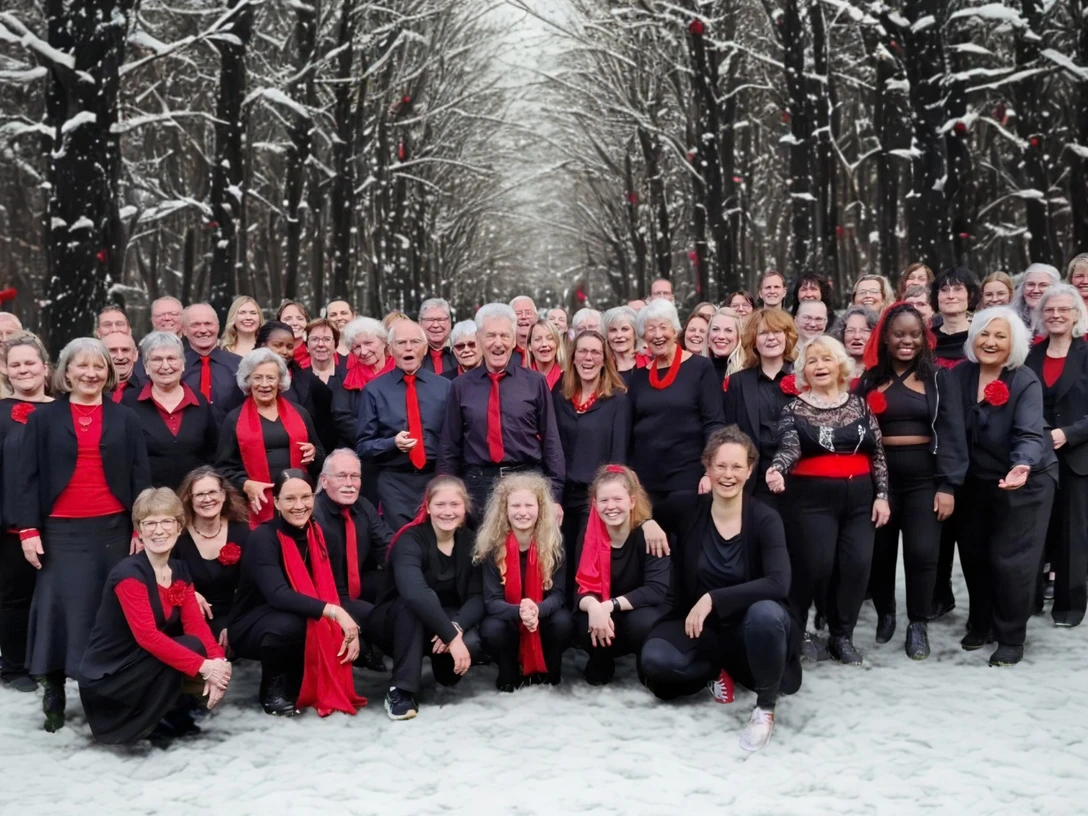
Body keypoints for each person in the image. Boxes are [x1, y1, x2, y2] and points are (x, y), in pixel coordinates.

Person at [640, 427, 802, 753]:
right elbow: (642, 506)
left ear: (750, 469)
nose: (728, 475)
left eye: (737, 467)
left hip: (753, 629)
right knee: (656, 665)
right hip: (704, 630)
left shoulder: (765, 519)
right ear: (707, 468)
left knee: (766, 613)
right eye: (720, 466)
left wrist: (713, 598)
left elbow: (777, 583)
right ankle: (716, 669)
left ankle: (764, 710)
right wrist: (648, 522)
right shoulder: (688, 507)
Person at [18, 337, 151, 732]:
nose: (91, 374)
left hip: (113, 528)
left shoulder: (126, 417)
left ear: (109, 373)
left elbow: (139, 474)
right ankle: (54, 685)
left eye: (99, 367)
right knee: (59, 610)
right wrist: (28, 529)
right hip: (59, 530)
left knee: (105, 611)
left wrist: (140, 526)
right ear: (66, 372)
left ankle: (103, 687)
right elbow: (26, 477)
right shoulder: (42, 419)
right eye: (82, 367)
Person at [766, 335, 890, 665]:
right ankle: (800, 631)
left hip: (861, 498)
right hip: (811, 499)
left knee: (856, 565)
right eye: (813, 361)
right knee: (814, 565)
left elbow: (877, 452)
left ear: (840, 366)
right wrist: (777, 469)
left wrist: (882, 496)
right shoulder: (794, 407)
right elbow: (789, 447)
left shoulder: (860, 404)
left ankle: (841, 635)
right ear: (803, 370)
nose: (820, 366)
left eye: (827, 359)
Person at [78, 488, 230, 744]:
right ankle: (150, 718)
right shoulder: (129, 575)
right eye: (150, 523)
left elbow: (195, 624)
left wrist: (219, 663)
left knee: (197, 643)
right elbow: (147, 636)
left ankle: (169, 708)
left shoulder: (179, 569)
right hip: (112, 674)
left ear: (179, 526)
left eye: (166, 521)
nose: (159, 531)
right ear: (139, 529)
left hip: (142, 662)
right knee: (184, 649)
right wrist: (206, 668)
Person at [858, 303, 967, 659]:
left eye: (915, 334)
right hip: (881, 483)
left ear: (925, 338)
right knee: (882, 553)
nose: (907, 341)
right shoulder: (869, 379)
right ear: (885, 338)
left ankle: (917, 623)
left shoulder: (939, 378)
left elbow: (952, 432)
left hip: (925, 480)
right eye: (899, 334)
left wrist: (948, 485)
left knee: (923, 553)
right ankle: (886, 612)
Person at [951, 307, 1057, 665]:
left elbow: (1029, 432)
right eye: (984, 333)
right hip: (976, 480)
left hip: (1025, 479)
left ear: (1013, 344)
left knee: (1011, 560)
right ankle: (982, 622)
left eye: (1000, 336)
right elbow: (949, 430)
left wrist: (1022, 465)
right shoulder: (960, 375)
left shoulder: (1023, 379)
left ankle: (1011, 635)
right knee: (975, 554)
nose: (990, 342)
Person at [229, 470, 366, 715]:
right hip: (253, 623)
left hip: (303, 615)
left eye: (306, 497)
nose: (299, 506)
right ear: (276, 502)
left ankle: (299, 679)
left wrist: (350, 625)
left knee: (359, 613)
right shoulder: (264, 537)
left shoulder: (327, 537)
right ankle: (272, 689)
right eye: (290, 499)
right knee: (292, 623)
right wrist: (335, 614)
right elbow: (277, 594)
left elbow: (339, 591)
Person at [367, 476, 483, 719]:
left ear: (465, 508)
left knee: (468, 645)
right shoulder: (410, 539)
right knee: (413, 610)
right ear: (428, 507)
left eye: (455, 505)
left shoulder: (471, 541)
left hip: (444, 619)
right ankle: (401, 690)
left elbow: (477, 596)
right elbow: (415, 593)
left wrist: (457, 627)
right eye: (440, 504)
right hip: (396, 619)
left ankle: (443, 669)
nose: (448, 512)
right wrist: (451, 636)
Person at [438, 303, 565, 514]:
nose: (498, 343)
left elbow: (551, 440)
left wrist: (555, 494)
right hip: (478, 485)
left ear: (514, 339)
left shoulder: (535, 383)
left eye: (505, 336)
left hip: (526, 481)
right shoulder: (460, 386)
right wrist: (445, 492)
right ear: (478, 338)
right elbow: (449, 446)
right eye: (490, 336)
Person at [1026, 285, 1088, 628]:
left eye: (1064, 309)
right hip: (1037, 454)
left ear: (1077, 314)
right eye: (1050, 310)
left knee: (1072, 536)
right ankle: (1030, 599)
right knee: (1034, 530)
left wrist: (1070, 433)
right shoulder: (1031, 356)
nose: (1056, 315)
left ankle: (1068, 607)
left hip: (1077, 456)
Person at [574, 465, 669, 685]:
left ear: (632, 501)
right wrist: (596, 608)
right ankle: (601, 658)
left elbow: (656, 590)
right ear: (594, 504)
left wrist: (609, 605)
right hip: (606, 613)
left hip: (639, 610)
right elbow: (579, 590)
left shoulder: (649, 534)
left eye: (618, 499)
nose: (611, 507)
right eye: (604, 501)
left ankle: (643, 660)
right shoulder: (588, 537)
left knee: (642, 622)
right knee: (581, 620)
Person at [476, 473, 572, 690]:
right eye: (515, 505)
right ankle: (509, 668)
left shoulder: (553, 544)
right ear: (504, 510)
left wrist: (537, 610)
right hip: (508, 617)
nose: (522, 512)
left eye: (529, 505)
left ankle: (547, 669)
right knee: (492, 629)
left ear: (540, 509)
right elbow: (491, 602)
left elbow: (558, 594)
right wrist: (521, 611)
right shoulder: (492, 548)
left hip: (542, 616)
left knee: (563, 622)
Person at [554, 331, 631, 596]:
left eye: (595, 352)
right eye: (583, 351)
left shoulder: (618, 399)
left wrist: (608, 497)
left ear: (604, 359)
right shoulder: (559, 394)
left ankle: (582, 622)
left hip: (593, 497)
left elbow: (618, 456)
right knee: (557, 560)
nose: (588, 358)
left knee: (584, 561)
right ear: (573, 357)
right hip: (560, 495)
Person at [627, 299, 725, 504]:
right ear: (644, 337)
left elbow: (714, 423)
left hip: (689, 478)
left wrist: (710, 472)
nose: (658, 335)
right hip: (646, 483)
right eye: (650, 329)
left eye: (663, 327)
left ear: (676, 329)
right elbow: (629, 431)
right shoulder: (638, 377)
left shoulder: (701, 368)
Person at [358, 320, 451, 529]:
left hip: (435, 479)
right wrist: (392, 443)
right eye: (401, 343)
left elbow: (455, 439)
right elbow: (363, 446)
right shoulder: (373, 391)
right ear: (390, 350)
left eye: (415, 342)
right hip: (395, 483)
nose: (408, 348)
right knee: (400, 545)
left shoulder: (445, 388)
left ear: (425, 348)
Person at [216, 348, 323, 528]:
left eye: (270, 378)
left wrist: (314, 454)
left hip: (298, 503)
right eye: (257, 378)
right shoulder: (234, 419)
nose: (264, 384)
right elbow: (223, 468)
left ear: (280, 381)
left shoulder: (300, 413)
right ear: (247, 381)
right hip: (255, 506)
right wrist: (246, 484)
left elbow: (320, 456)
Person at [0, 334, 52, 692]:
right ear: (6, 370)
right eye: (15, 364)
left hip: (60, 523)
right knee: (15, 596)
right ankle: (15, 666)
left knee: (53, 596)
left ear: (45, 367)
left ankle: (50, 661)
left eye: (30, 363)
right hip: (11, 523)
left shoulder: (65, 407)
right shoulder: (1, 411)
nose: (23, 370)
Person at [313, 449, 392, 672]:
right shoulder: (313, 514)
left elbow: (387, 546)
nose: (350, 483)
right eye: (342, 476)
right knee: (377, 618)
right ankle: (369, 647)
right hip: (327, 596)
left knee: (400, 589)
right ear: (324, 481)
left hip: (359, 582)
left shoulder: (364, 506)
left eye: (355, 476)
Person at [722, 308, 798, 507]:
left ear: (787, 336)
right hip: (756, 483)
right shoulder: (737, 383)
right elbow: (730, 433)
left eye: (777, 332)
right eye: (763, 333)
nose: (770, 338)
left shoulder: (804, 377)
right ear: (753, 340)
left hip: (800, 480)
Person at [123, 332, 218, 490]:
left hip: (193, 499)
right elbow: (123, 457)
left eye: (172, 359)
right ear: (146, 367)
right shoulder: (129, 403)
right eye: (157, 360)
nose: (165, 366)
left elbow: (212, 452)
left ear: (182, 364)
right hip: (148, 502)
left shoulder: (199, 400)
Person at [174, 467, 250, 643]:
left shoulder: (242, 532)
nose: (207, 499)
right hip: (190, 615)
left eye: (212, 492)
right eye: (199, 494)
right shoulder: (178, 536)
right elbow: (166, 576)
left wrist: (233, 627)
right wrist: (189, 593)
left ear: (223, 495)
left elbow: (251, 587)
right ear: (189, 499)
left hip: (234, 615)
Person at [256, 320, 332, 433]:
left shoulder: (308, 380)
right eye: (278, 345)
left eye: (289, 346)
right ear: (262, 346)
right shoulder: (246, 379)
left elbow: (326, 422)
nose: (284, 351)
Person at [330, 317, 393, 450]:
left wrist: (390, 441)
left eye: (368, 343)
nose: (363, 352)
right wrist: (374, 440)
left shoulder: (399, 372)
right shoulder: (344, 377)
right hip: (358, 450)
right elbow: (342, 417)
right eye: (357, 347)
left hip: (397, 448)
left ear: (384, 341)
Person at [182, 303, 242, 425]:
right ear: (184, 330)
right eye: (195, 325)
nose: (203, 330)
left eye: (208, 324)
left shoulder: (240, 365)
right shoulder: (174, 368)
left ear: (218, 327)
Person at [931, 267, 978, 368]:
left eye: (958, 289)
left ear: (969, 296)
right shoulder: (928, 339)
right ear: (937, 296)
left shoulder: (979, 336)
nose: (951, 296)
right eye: (944, 290)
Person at [602, 305, 647, 381]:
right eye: (613, 330)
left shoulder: (650, 363)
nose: (619, 335)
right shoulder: (602, 368)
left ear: (635, 333)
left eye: (624, 329)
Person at [1013, 263, 1060, 333]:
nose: (1035, 290)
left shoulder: (1061, 321)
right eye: (1030, 284)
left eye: (1043, 285)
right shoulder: (1011, 318)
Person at [834, 306, 878, 381]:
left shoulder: (884, 369)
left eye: (865, 331)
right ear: (842, 334)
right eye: (850, 331)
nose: (857, 336)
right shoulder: (832, 368)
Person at [103, 330, 146, 402]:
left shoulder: (149, 388)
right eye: (113, 350)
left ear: (135, 355)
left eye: (125, 350)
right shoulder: (91, 389)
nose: (120, 357)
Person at [418, 297, 456, 375]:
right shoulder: (413, 351)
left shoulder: (462, 348)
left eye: (440, 319)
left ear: (449, 322)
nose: (435, 325)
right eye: (429, 320)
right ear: (420, 322)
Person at [705, 308, 742, 386]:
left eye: (728, 330)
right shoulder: (697, 371)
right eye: (715, 329)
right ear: (708, 335)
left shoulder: (748, 373)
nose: (721, 336)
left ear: (738, 336)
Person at [527, 318, 565, 390]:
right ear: (529, 346)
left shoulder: (568, 380)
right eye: (538, 339)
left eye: (550, 338)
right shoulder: (521, 379)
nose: (544, 344)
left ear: (557, 343)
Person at [305, 318, 344, 386]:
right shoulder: (297, 374)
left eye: (327, 339)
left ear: (335, 345)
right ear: (307, 345)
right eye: (314, 339)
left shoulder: (349, 372)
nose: (320, 344)